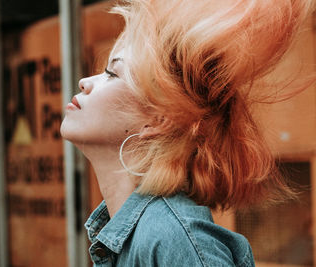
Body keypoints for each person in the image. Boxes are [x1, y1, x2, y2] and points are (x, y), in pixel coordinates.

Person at [60, 0, 313, 266]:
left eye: (112, 73)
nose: (85, 82)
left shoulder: (170, 237)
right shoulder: (144, 231)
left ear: (158, 120)